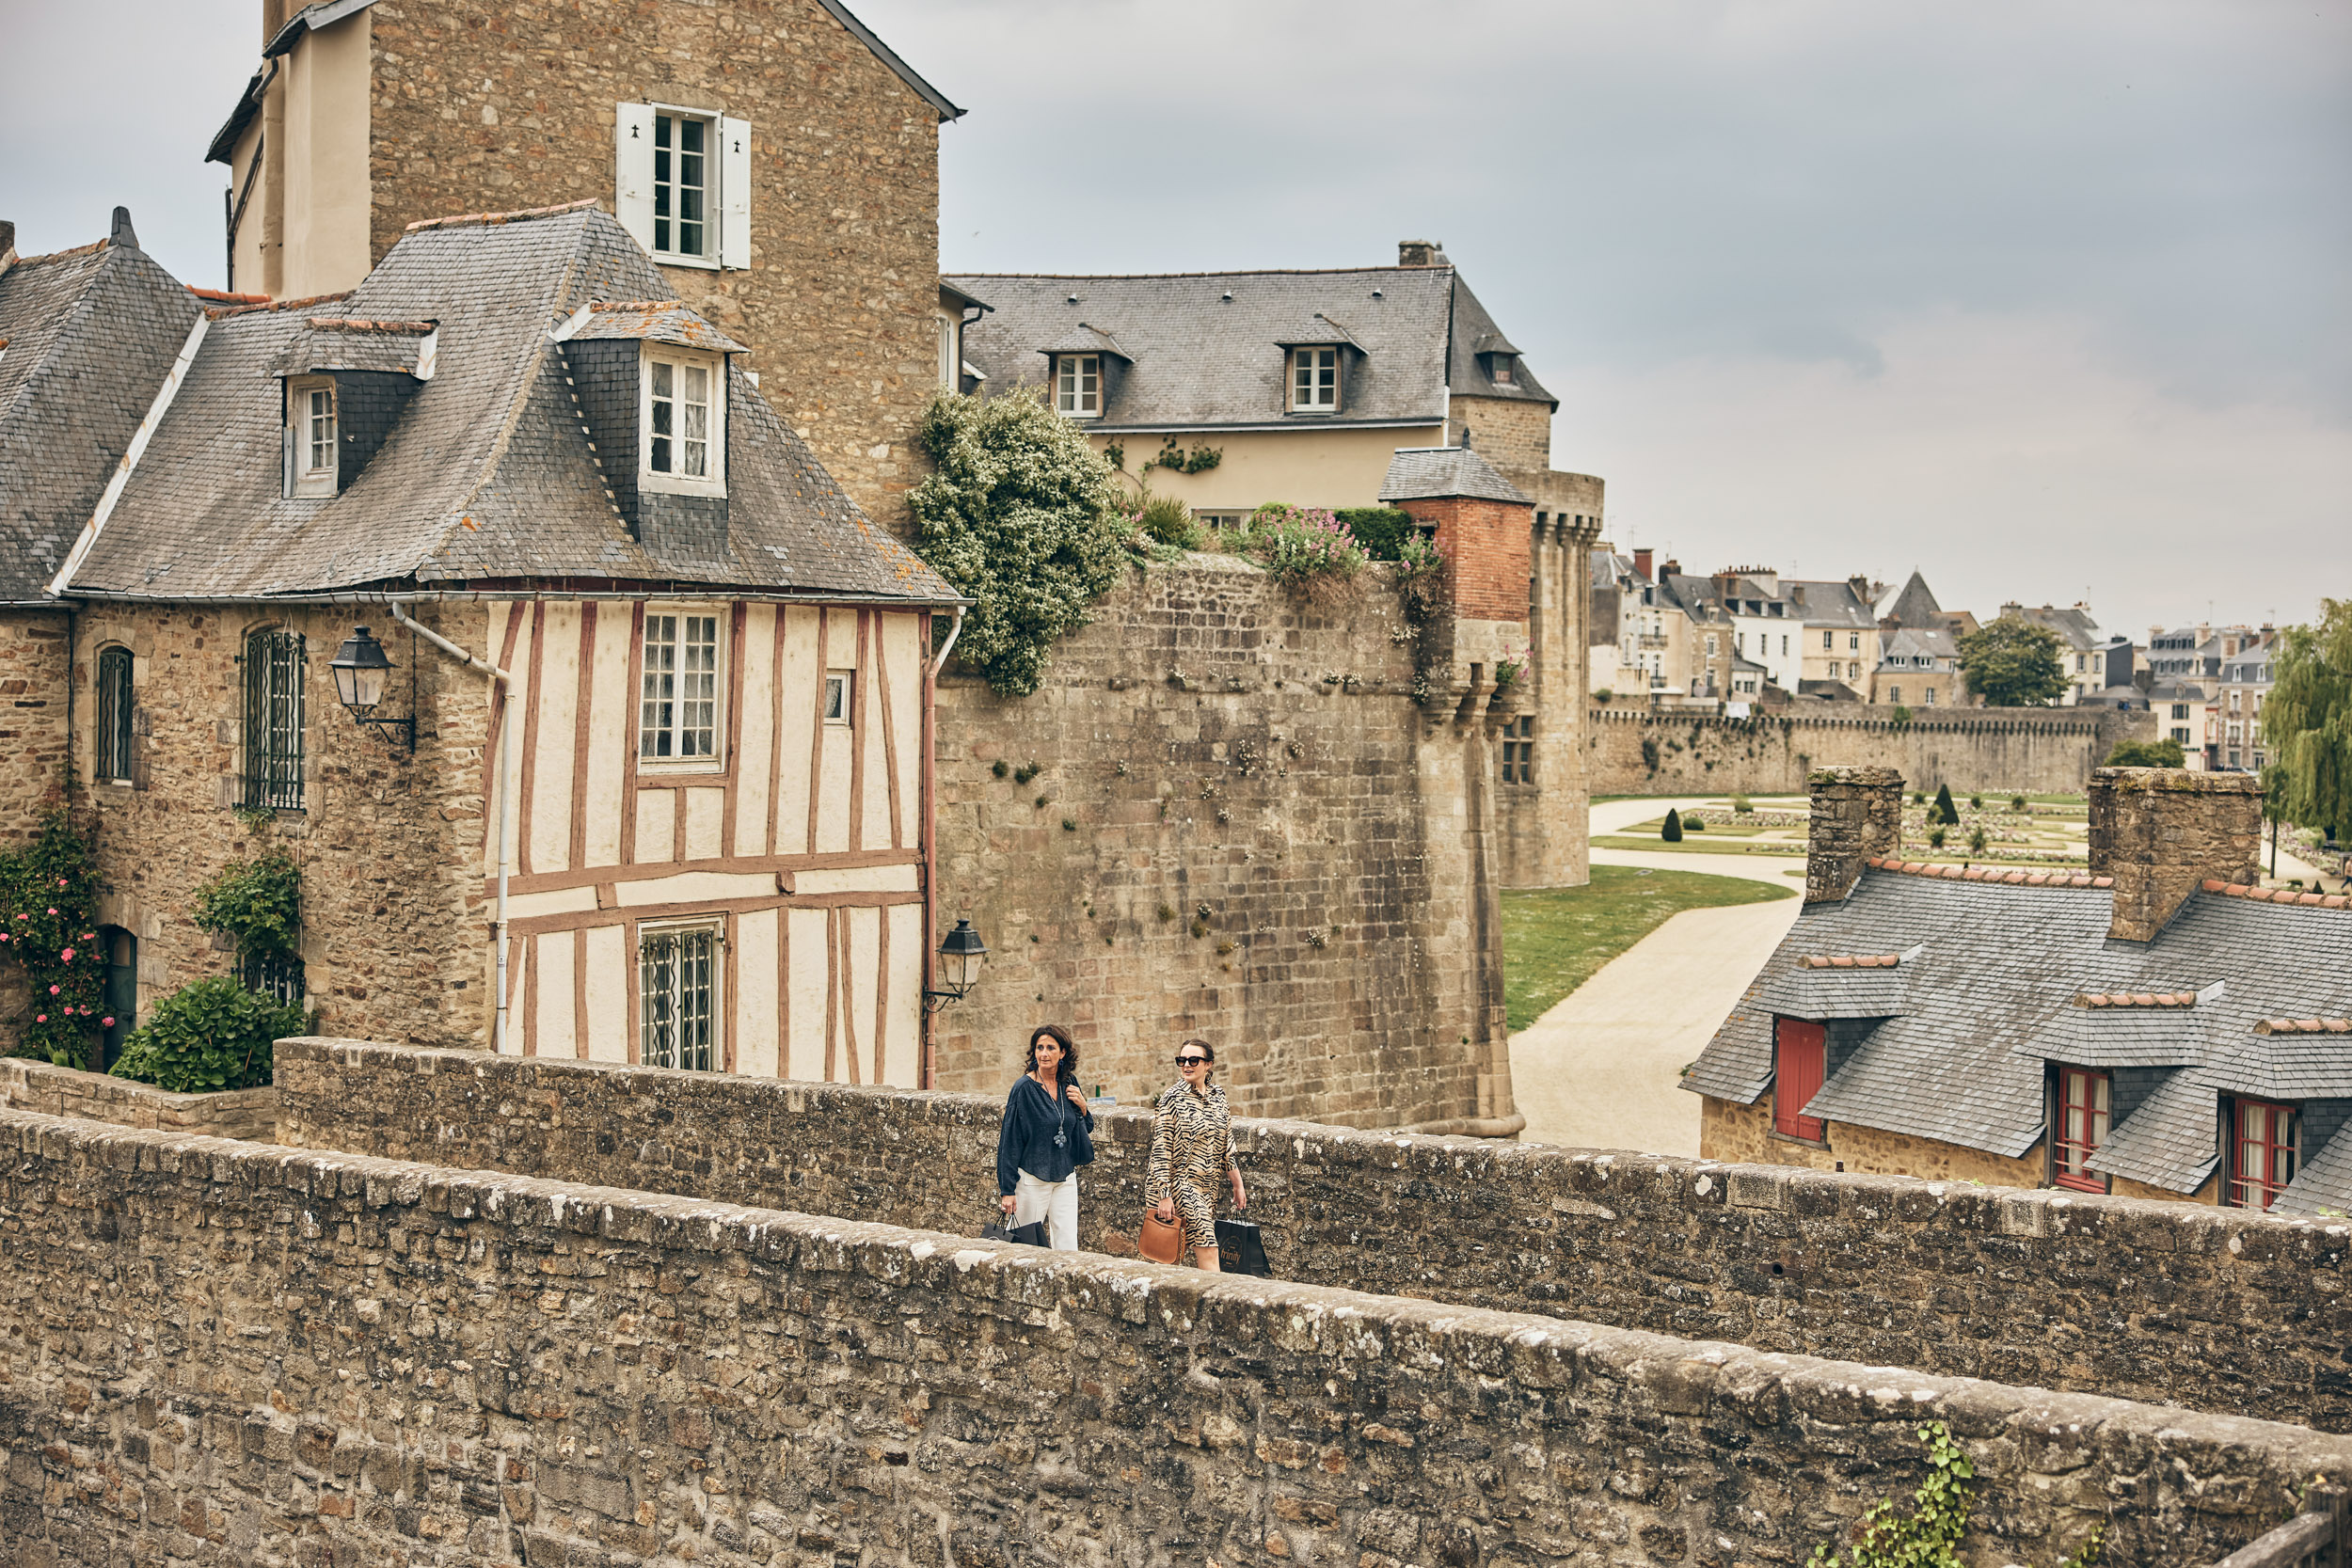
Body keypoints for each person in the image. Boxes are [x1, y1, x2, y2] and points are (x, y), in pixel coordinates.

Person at [1147, 1038, 1247, 1270]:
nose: (1186, 1065)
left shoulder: (1219, 1096)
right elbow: (1160, 1151)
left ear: (1208, 1064)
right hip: (1178, 1185)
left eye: (1194, 1060)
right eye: (1182, 1060)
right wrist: (1164, 1194)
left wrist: (1237, 1184)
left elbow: (1226, 1145)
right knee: (1209, 1247)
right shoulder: (1172, 1099)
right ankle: (1218, 1303)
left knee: (1173, 1258)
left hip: (1207, 1188)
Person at [994, 1023, 1094, 1250]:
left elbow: (1085, 1127)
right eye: (1040, 1048)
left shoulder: (1069, 1083)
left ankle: (1067, 1286)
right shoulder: (1024, 1088)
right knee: (1024, 1246)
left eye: (1051, 1047)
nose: (1044, 1053)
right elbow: (1009, 1141)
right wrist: (1007, 1190)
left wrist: (1083, 1106)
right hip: (1032, 1179)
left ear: (1063, 1053)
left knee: (1068, 1245)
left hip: (1065, 1178)